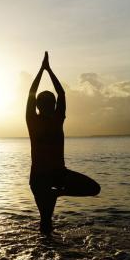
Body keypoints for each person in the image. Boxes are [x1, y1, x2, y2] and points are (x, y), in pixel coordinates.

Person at [26, 51, 101, 234]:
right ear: (43, 106)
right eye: (48, 104)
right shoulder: (40, 120)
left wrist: (44, 70)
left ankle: (57, 194)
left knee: (46, 220)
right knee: (46, 221)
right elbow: (58, 92)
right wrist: (47, 70)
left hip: (55, 175)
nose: (50, 106)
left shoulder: (43, 119)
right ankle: (47, 253)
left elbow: (48, 93)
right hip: (43, 177)